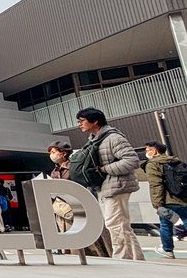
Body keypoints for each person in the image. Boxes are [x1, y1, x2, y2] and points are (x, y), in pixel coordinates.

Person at [75, 107, 144, 260]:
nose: (79, 124)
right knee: (120, 225)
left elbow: (132, 161)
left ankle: (122, 259)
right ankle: (136, 259)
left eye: (82, 121)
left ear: (95, 120)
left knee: (116, 225)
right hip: (107, 186)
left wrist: (104, 169)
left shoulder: (113, 138)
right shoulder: (96, 139)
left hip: (117, 186)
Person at [143, 141, 187, 260]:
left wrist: (158, 204)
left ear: (155, 151)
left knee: (166, 224)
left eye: (147, 150)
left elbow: (156, 185)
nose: (145, 153)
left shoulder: (153, 164)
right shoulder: (176, 161)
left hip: (167, 200)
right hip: (183, 198)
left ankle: (168, 250)